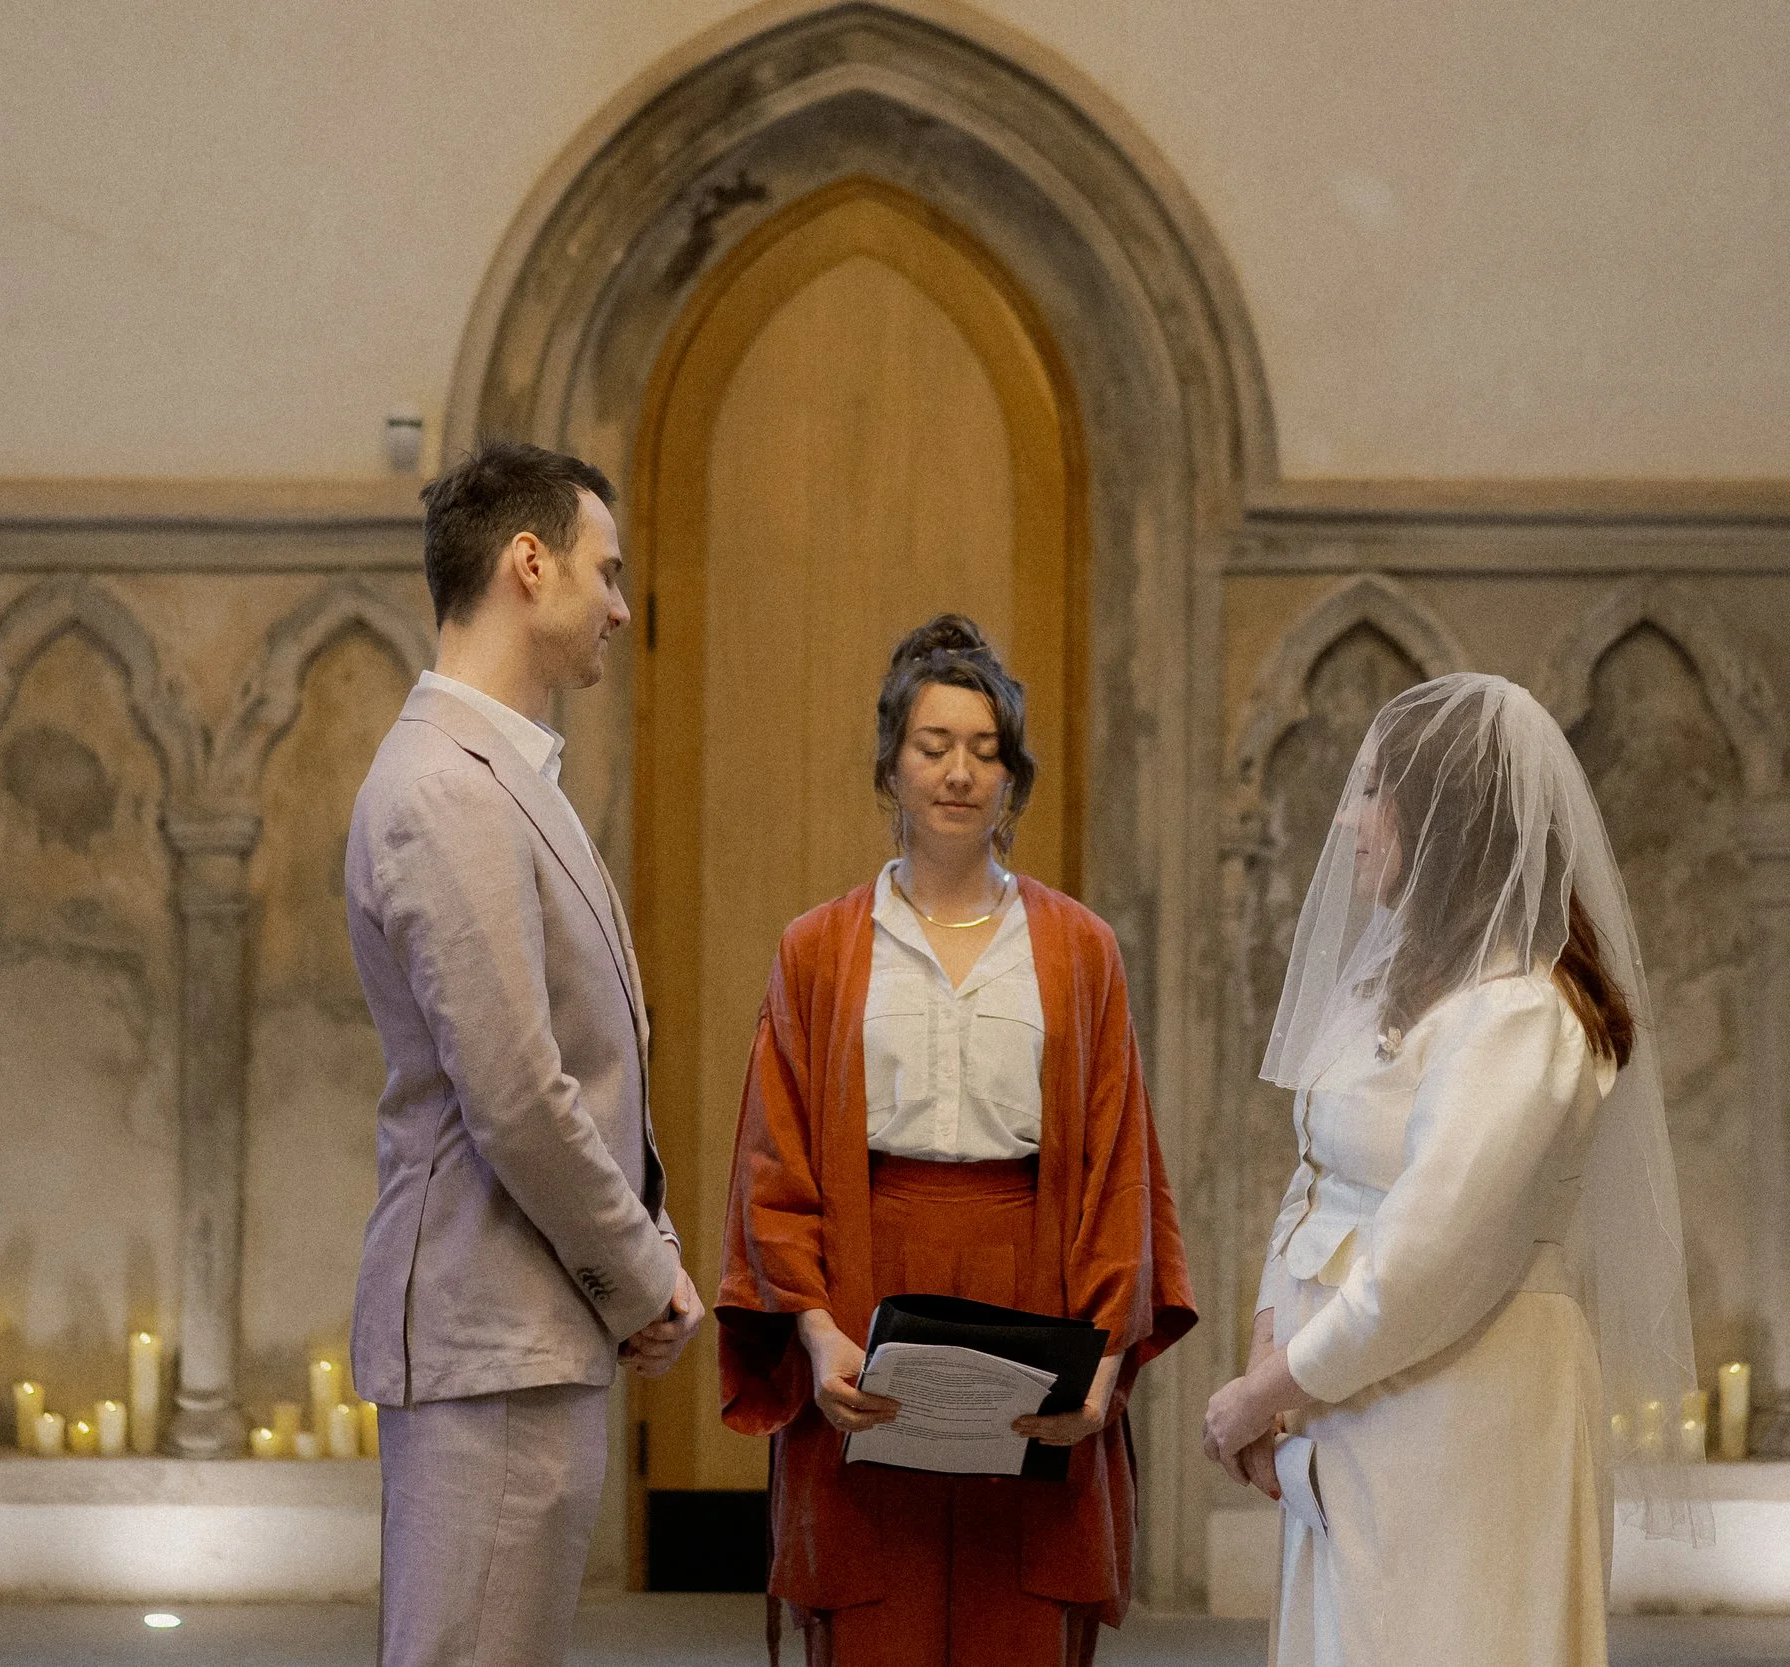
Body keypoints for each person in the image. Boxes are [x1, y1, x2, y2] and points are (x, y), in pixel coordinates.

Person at [717, 614, 1196, 1667]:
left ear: (1014, 780)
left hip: (1035, 1291)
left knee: (1013, 1610)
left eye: (986, 751)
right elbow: (774, 1160)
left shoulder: (1078, 949)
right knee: (875, 1603)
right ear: (890, 763)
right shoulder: (818, 949)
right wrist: (812, 1331)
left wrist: (1106, 1364)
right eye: (934, 746)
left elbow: (1121, 1165)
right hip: (864, 1294)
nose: (959, 772)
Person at [1202, 672, 1702, 1667]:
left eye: (1374, 790)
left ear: (1448, 819)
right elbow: (1313, 1173)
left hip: (1464, 1402)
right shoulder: (1394, 989)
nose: (1348, 817)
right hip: (1355, 1399)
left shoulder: (1522, 1015)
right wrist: (1269, 1354)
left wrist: (1266, 1393)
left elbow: (1430, 1255)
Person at [345, 442, 702, 1667]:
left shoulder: (498, 773)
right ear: (527, 562)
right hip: (488, 1321)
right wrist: (641, 1269)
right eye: (605, 572)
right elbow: (516, 1092)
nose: (617, 604)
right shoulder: (445, 787)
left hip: (527, 1320)